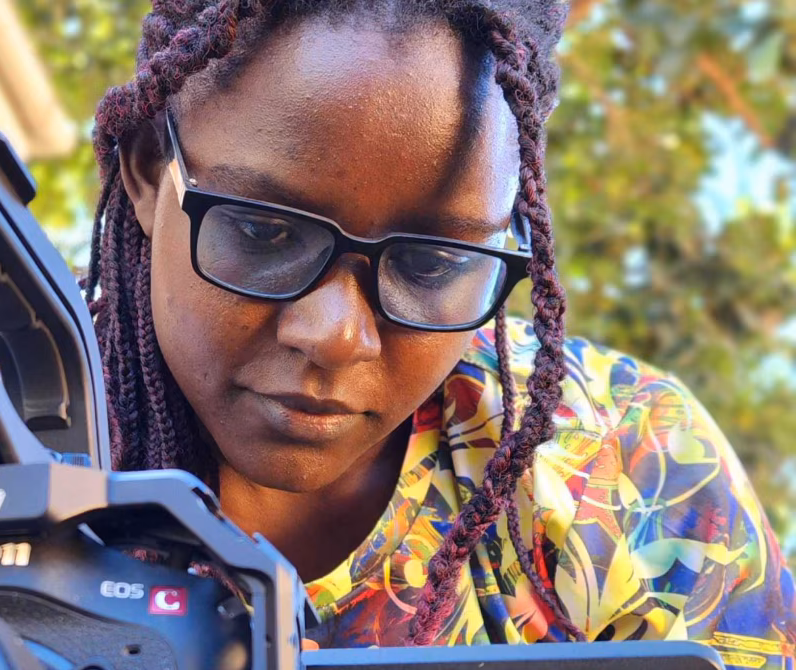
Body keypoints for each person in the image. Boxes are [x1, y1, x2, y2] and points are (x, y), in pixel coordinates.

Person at [78, 0, 796, 665]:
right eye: (265, 232)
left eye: (430, 263)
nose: (335, 336)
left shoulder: (634, 464)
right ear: (147, 170)